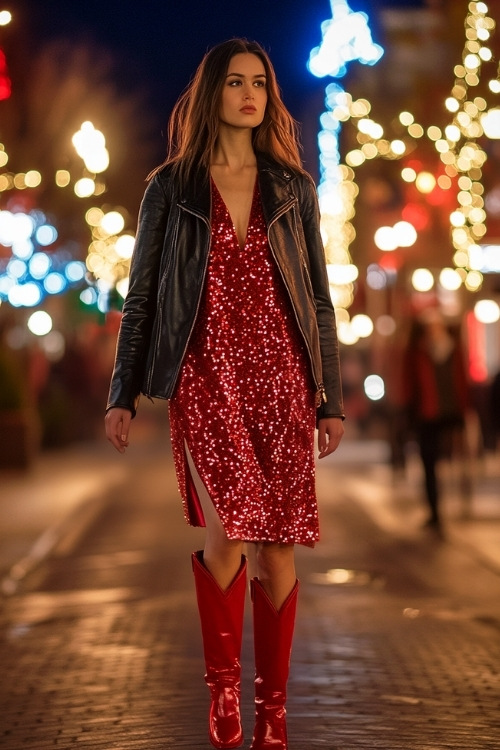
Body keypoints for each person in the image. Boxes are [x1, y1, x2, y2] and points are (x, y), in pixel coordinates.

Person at [105, 38, 344, 750]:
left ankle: (274, 711)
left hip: (282, 379)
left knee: (276, 548)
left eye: (260, 84)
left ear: (269, 97)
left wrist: (327, 397)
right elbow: (141, 298)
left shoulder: (294, 189)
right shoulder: (169, 188)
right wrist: (124, 390)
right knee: (230, 530)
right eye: (235, 82)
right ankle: (224, 697)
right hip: (207, 375)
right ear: (211, 93)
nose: (249, 94)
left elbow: (320, 302)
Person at [403, 310, 470, 529]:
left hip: (452, 413)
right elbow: (410, 385)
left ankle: (462, 504)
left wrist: (465, 408)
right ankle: (435, 511)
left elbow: (462, 380)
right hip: (427, 415)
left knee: (458, 462)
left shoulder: (455, 350)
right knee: (429, 464)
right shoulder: (417, 353)